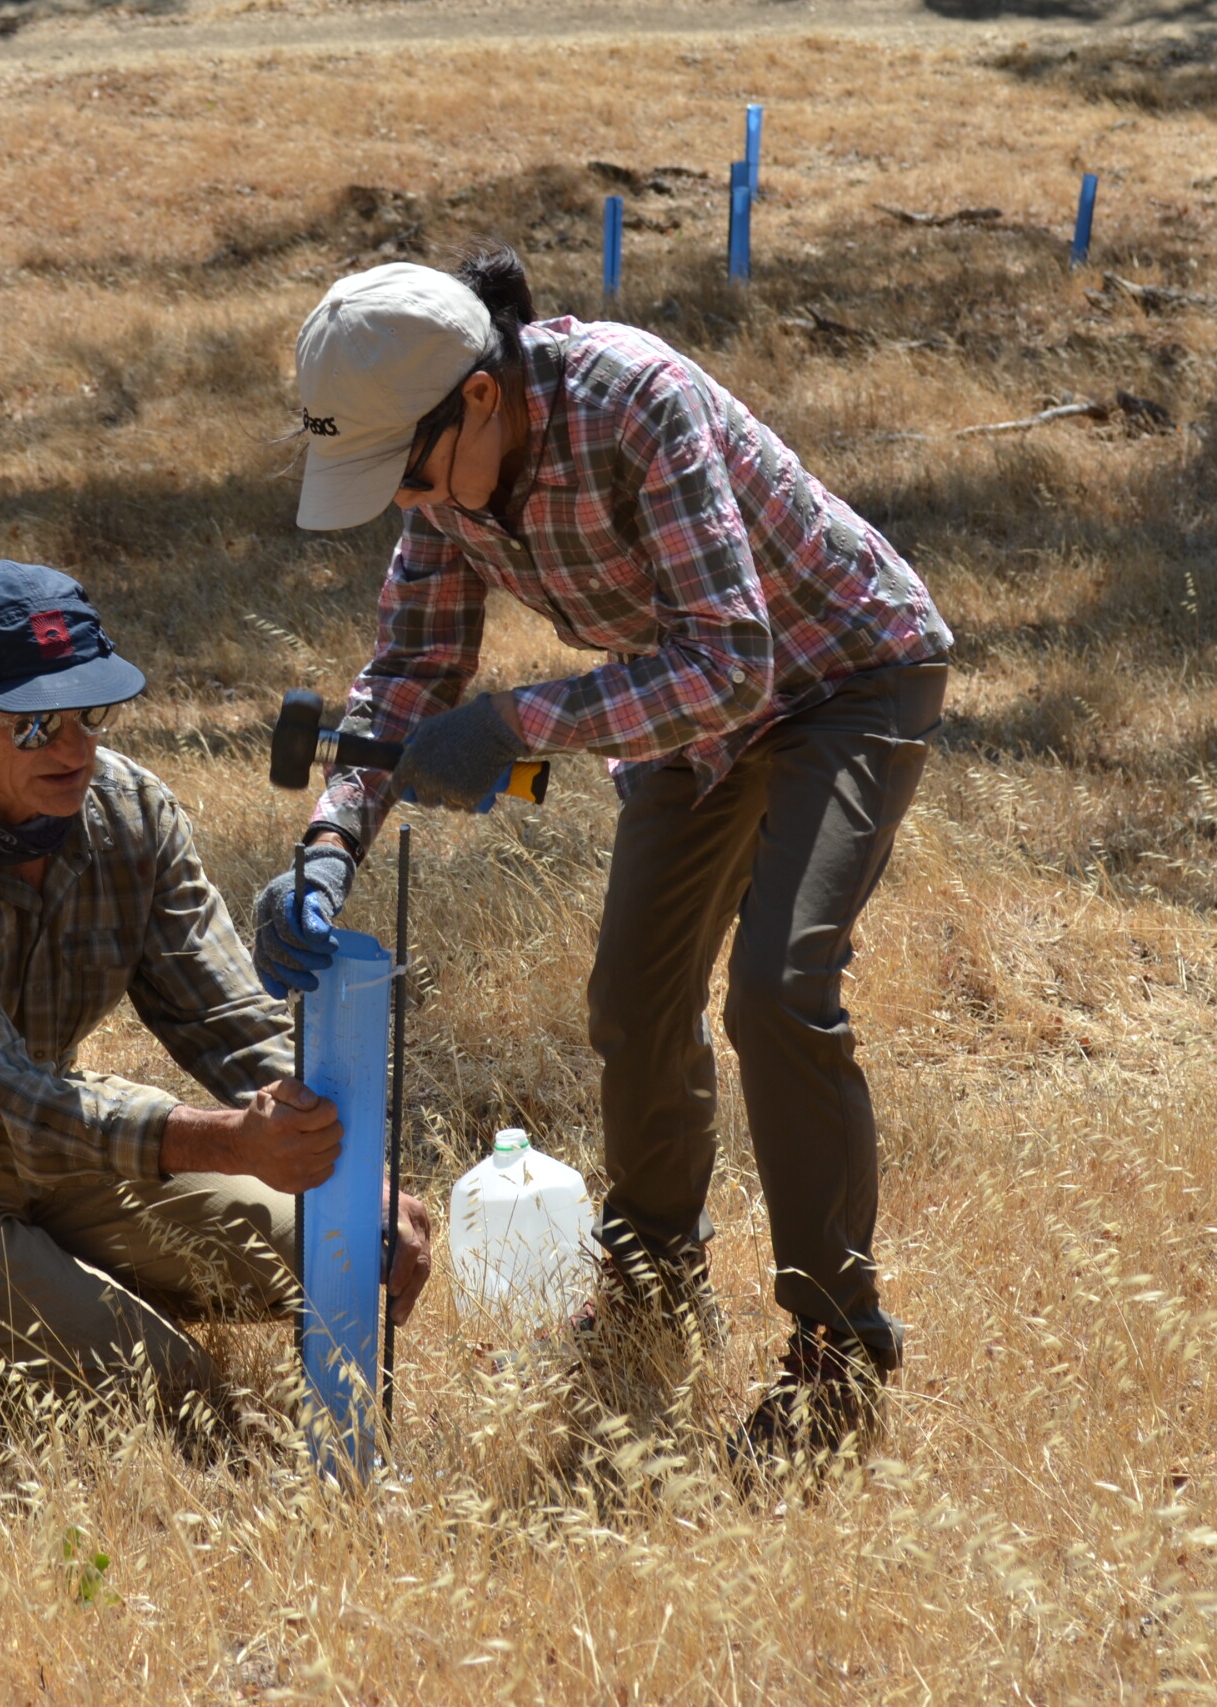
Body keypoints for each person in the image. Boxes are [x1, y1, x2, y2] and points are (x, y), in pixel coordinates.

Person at [257, 248, 952, 1482]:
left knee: (780, 989)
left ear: (478, 396)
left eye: (408, 473)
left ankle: (840, 1351)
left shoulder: (634, 401)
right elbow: (407, 676)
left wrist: (523, 725)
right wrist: (325, 849)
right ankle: (652, 1280)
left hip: (840, 676)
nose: (411, 508)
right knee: (633, 1004)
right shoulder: (448, 493)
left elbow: (735, 660)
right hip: (691, 719)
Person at [0, 559, 432, 1433]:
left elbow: (230, 1018)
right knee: (167, 1389)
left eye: (89, 713)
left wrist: (341, 1164)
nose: (75, 748)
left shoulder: (129, 812)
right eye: (33, 725)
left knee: (341, 1254)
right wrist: (229, 1141)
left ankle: (42, 1266)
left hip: (53, 1153)